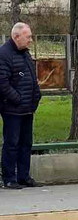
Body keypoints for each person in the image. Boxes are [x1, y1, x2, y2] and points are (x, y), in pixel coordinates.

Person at [0, 23, 42, 189]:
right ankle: (9, 177)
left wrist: (36, 96)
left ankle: (24, 176)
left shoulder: (25, 54)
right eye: (28, 36)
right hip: (12, 108)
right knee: (12, 143)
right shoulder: (4, 54)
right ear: (16, 37)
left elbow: (32, 78)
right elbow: (2, 83)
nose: (31, 40)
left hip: (27, 108)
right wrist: (17, 98)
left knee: (26, 143)